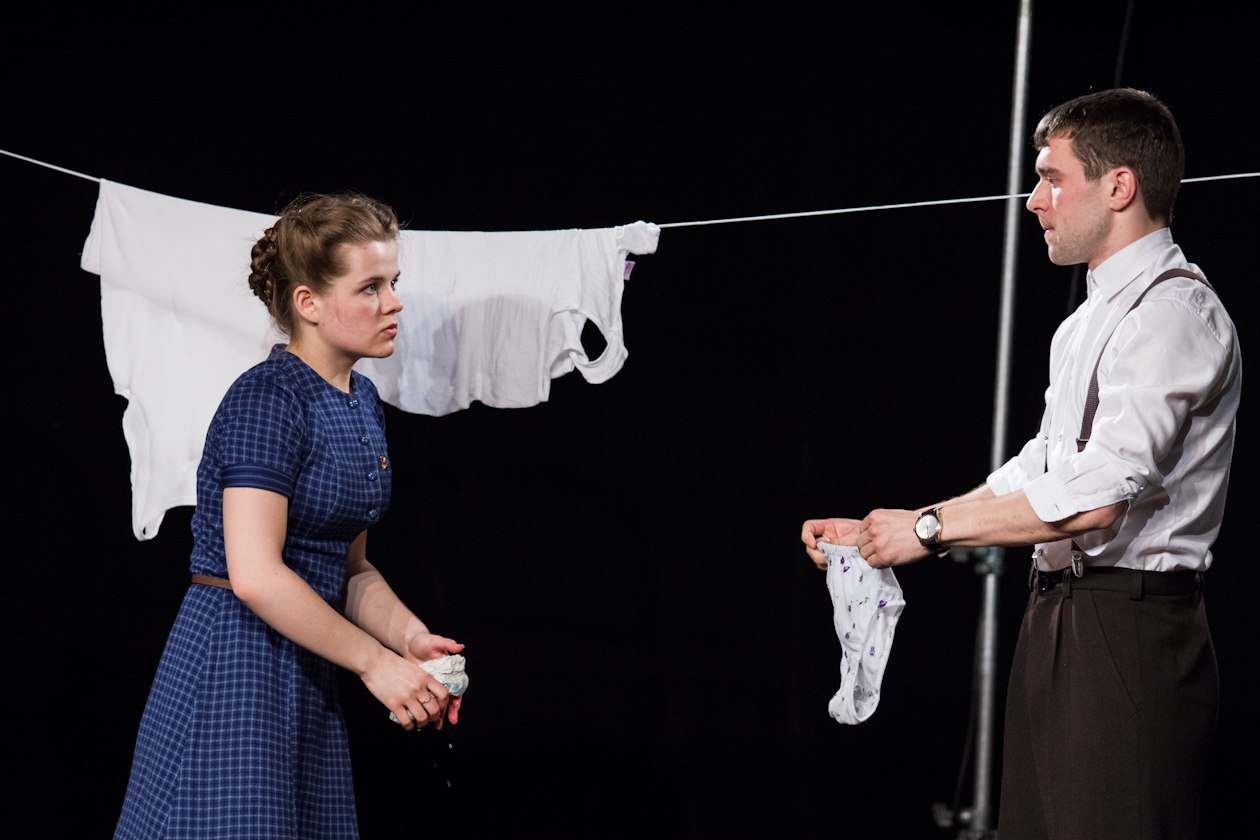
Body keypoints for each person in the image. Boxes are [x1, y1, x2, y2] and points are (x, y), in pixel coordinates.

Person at [802, 88, 1240, 839]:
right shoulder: (1084, 323)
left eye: (1051, 178)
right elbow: (1043, 465)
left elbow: (1097, 497)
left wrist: (932, 530)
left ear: (1119, 185)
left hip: (1130, 629)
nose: (1034, 200)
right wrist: (899, 527)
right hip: (1058, 620)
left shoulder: (1173, 314)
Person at [115, 192, 464, 839]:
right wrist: (375, 664)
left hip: (307, 669)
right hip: (234, 665)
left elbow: (350, 568)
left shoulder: (361, 402)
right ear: (308, 303)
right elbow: (255, 575)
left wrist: (410, 640)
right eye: (370, 287)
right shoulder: (267, 399)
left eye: (393, 283)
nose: (394, 303)